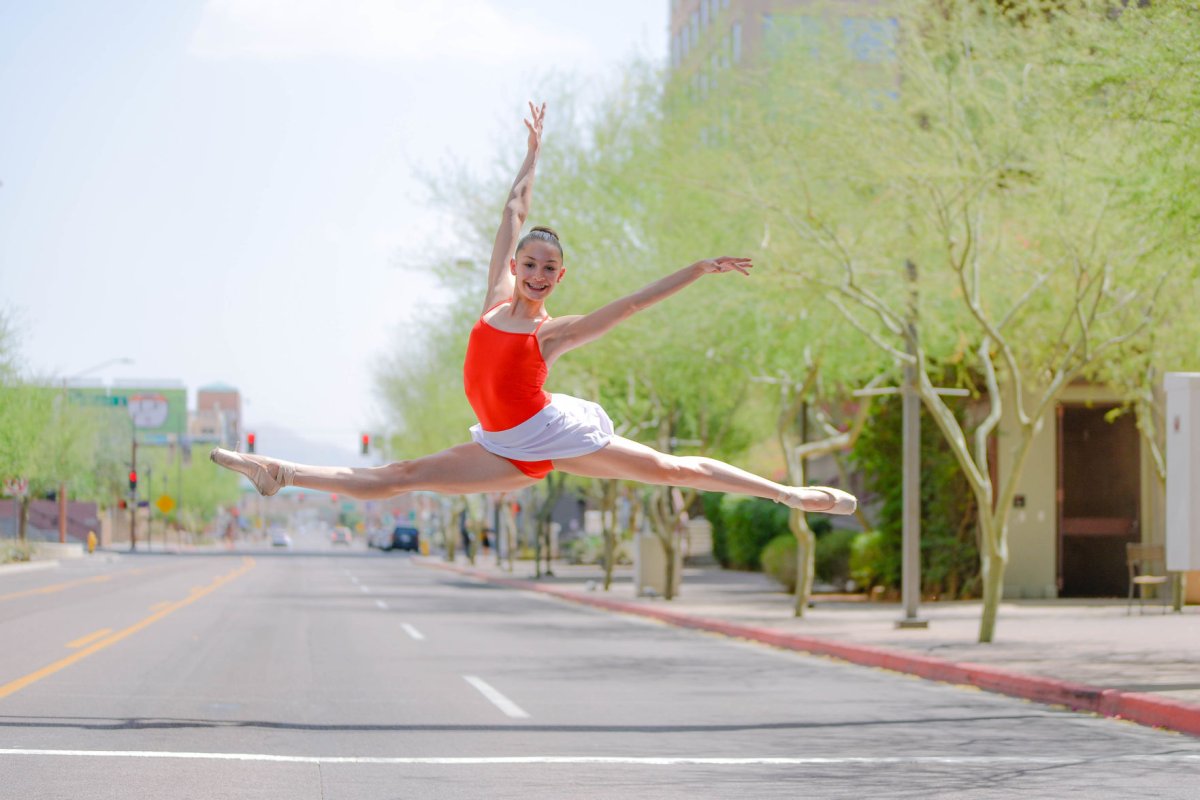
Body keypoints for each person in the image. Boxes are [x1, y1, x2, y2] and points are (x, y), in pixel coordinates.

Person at [211, 102, 856, 515]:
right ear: (516, 268)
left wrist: (699, 269)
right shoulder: (493, 303)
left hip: (548, 435)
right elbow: (512, 212)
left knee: (666, 469)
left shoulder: (549, 336)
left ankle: (786, 494)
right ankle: (279, 471)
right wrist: (532, 155)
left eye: (551, 269)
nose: (539, 275)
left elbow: (630, 306)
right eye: (531, 264)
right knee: (399, 474)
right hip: (499, 445)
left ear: (560, 276)